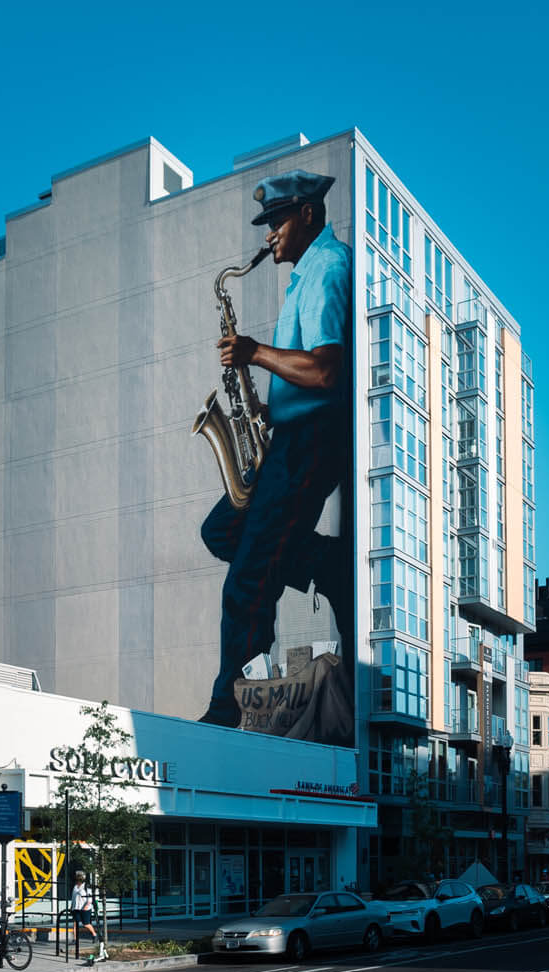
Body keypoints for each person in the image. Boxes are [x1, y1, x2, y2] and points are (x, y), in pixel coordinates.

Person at [200, 169, 354, 727]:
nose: (268, 236)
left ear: (307, 215)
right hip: (291, 435)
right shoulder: (306, 275)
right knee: (221, 531)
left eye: (277, 222)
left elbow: (326, 370)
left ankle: (227, 707)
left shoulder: (328, 270)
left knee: (248, 578)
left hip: (311, 445)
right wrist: (265, 408)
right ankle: (325, 563)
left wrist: (254, 352)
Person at [71, 870, 105, 964]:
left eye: (79, 877)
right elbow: (73, 897)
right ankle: (75, 939)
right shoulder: (75, 887)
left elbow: (90, 898)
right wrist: (72, 906)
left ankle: (94, 935)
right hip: (76, 908)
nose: (77, 879)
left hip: (85, 908)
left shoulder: (86, 887)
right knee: (75, 923)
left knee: (86, 924)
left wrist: (86, 905)